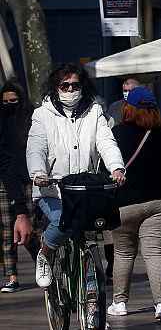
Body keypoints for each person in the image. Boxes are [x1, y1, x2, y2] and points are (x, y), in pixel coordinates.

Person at [27, 63, 126, 289]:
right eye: (65, 85)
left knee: (87, 237)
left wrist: (116, 167)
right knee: (62, 221)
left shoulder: (94, 111)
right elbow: (36, 148)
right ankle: (45, 254)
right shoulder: (41, 115)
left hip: (84, 189)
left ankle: (92, 307)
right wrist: (38, 173)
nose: (71, 90)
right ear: (55, 88)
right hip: (52, 188)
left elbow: (106, 142)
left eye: (75, 85)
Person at [106, 87, 161, 321]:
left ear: (128, 108)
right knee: (155, 253)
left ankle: (119, 303)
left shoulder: (117, 134)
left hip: (125, 203)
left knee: (124, 254)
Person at [0, 81, 34, 293]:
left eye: (13, 101)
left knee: (31, 228)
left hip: (27, 177)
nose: (9, 105)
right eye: (5, 102)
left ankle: (43, 263)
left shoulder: (30, 118)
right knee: (6, 230)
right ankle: (12, 276)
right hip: (4, 179)